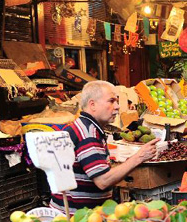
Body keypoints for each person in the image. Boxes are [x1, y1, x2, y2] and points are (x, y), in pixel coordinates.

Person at [51, 81, 159, 214]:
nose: (117, 106)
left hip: (83, 216)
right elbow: (103, 180)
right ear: (92, 105)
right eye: (111, 101)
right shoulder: (87, 134)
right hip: (77, 220)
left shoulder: (84, 126)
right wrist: (139, 157)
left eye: (117, 101)